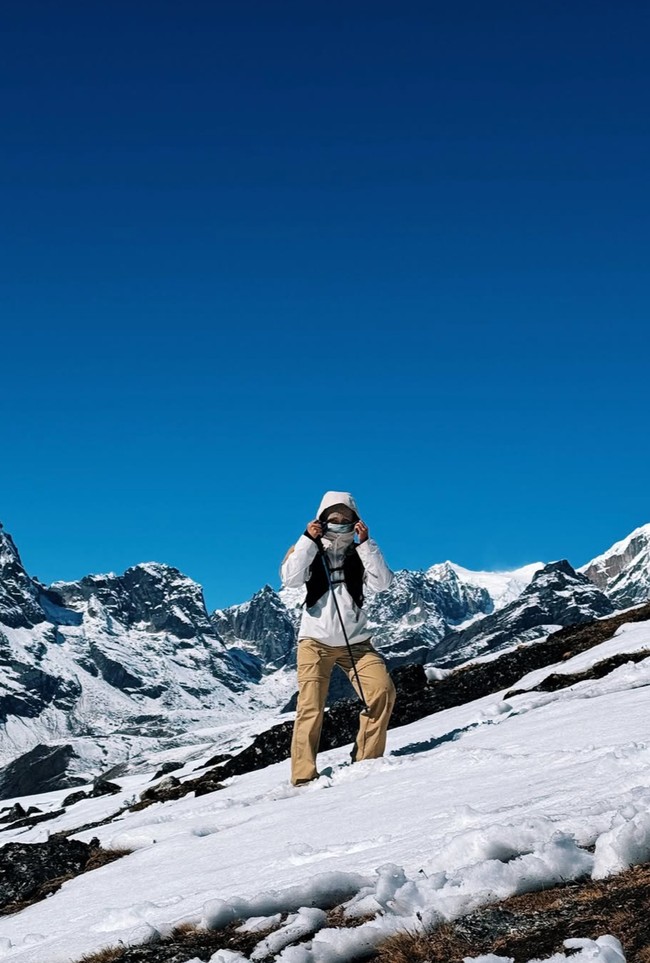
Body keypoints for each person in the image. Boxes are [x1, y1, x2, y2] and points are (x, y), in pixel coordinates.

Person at [281, 491, 395, 786]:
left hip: (356, 643)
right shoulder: (306, 548)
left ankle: (366, 761)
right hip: (314, 643)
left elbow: (383, 583)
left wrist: (366, 544)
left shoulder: (362, 553)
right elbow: (290, 578)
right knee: (310, 707)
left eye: (346, 518)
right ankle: (303, 777)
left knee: (382, 691)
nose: (340, 522)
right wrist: (308, 540)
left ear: (356, 521)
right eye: (333, 518)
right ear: (321, 519)